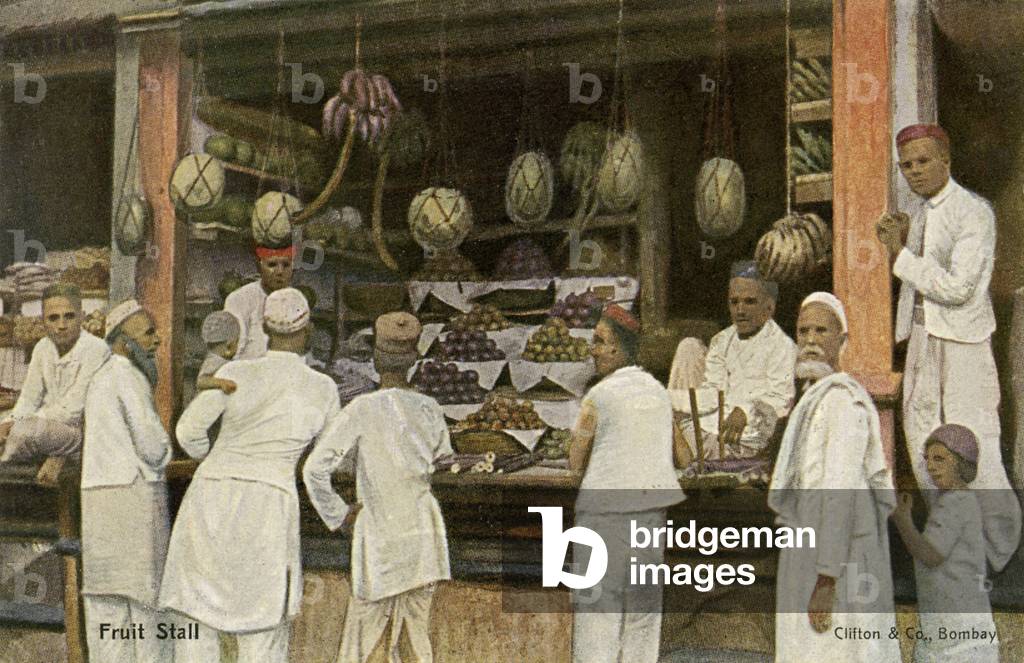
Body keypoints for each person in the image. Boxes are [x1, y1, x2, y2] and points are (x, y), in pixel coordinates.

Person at [160, 288, 340, 663]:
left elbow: (187, 431)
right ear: (307, 331)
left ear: (262, 327)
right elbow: (327, 460)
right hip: (268, 505)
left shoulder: (235, 372)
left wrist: (218, 460)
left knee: (198, 627)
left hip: (211, 496)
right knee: (262, 635)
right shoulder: (322, 389)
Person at [876, 123, 1020, 571]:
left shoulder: (974, 212)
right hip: (924, 342)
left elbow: (958, 288)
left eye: (923, 162)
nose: (914, 172)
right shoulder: (919, 214)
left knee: (973, 442)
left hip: (964, 345)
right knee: (922, 437)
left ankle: (999, 549)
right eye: (907, 166)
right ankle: (948, 540)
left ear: (946, 161)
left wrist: (899, 254)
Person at [304, 312, 452, 663]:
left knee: (361, 646)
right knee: (417, 644)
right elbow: (444, 461)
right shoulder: (430, 408)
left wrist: (340, 516)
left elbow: (314, 470)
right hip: (422, 537)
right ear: (415, 360)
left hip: (381, 537)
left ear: (373, 360)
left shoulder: (361, 408)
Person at [769, 293, 899, 663]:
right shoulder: (813, 399)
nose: (810, 340)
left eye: (821, 330)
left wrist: (826, 581)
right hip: (813, 547)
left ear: (842, 341)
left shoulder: (842, 402)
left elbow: (839, 495)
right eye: (803, 330)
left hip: (838, 560)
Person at [569, 304, 687, 663]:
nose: (593, 349)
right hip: (650, 513)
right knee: (642, 615)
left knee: (597, 615)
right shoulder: (658, 392)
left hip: (604, 514)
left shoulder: (598, 396)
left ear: (618, 349)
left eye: (599, 342)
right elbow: (684, 456)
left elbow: (575, 459)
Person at [81, 300, 172, 663]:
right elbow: (153, 448)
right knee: (147, 608)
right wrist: (167, 449)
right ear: (123, 341)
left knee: (105, 609)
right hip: (133, 500)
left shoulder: (101, 377)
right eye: (148, 333)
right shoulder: (128, 377)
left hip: (97, 501)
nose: (157, 340)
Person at [891, 424, 998, 663]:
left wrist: (903, 520)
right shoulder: (955, 501)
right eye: (927, 459)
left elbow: (931, 555)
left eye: (940, 459)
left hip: (957, 627)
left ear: (962, 462)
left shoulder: (956, 503)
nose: (931, 466)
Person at [668, 261, 796, 460]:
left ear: (769, 307)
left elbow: (782, 399)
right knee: (668, 424)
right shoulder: (721, 341)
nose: (740, 310)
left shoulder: (782, 346)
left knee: (670, 441)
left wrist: (745, 412)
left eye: (749, 301)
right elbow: (712, 393)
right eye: (734, 302)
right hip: (716, 428)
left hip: (751, 439)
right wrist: (671, 400)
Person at [0, 283, 109, 464]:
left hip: (82, 433)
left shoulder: (96, 349)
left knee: (25, 432)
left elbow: (72, 411)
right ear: (43, 321)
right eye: (53, 318)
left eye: (69, 316)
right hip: (49, 427)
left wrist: (16, 424)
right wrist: (8, 422)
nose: (61, 325)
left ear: (81, 317)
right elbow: (28, 399)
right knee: (11, 427)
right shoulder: (43, 347)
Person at [223, 244, 294, 360]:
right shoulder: (239, 299)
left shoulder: (296, 300)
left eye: (286, 265)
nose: (280, 271)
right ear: (258, 267)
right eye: (272, 265)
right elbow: (233, 353)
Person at [196, 310, 240, 394]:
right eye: (237, 342)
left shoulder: (219, 359)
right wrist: (221, 383)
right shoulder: (215, 361)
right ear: (229, 347)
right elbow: (201, 381)